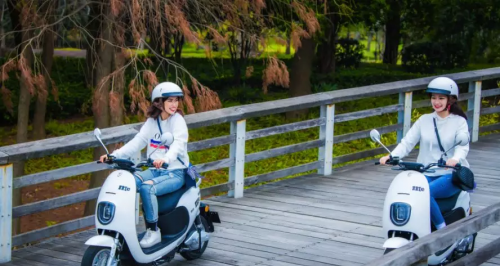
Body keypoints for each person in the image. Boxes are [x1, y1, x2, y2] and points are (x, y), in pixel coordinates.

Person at [99, 81, 190, 248]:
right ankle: (122, 225)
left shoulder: (178, 121)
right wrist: (113, 156)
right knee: (129, 182)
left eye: (176, 100)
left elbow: (178, 144)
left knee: (147, 188)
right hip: (155, 171)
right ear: (159, 102)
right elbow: (137, 142)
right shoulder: (152, 122)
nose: (174, 104)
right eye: (169, 100)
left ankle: (153, 231)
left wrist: (166, 159)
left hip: (174, 172)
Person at [379, 77, 470, 230]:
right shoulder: (424, 120)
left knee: (424, 194)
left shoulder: (459, 121)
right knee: (406, 193)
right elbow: (407, 142)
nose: (436, 102)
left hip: (450, 173)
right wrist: (391, 156)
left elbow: (463, 146)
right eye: (433, 97)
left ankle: (442, 231)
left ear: (451, 100)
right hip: (425, 173)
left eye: (441, 98)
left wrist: (455, 159)